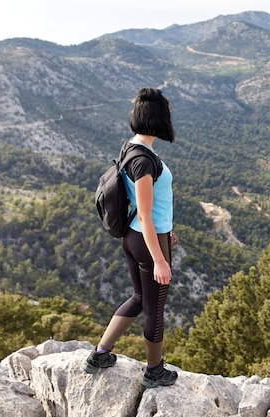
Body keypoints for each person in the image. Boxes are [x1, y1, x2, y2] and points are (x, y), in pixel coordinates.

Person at [83, 87, 178, 388]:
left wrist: (167, 232)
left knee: (138, 298)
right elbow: (147, 214)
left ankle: (99, 353)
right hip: (149, 240)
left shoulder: (132, 148)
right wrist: (160, 259)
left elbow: (146, 210)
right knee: (155, 310)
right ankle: (154, 371)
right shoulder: (144, 162)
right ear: (158, 118)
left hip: (132, 236)